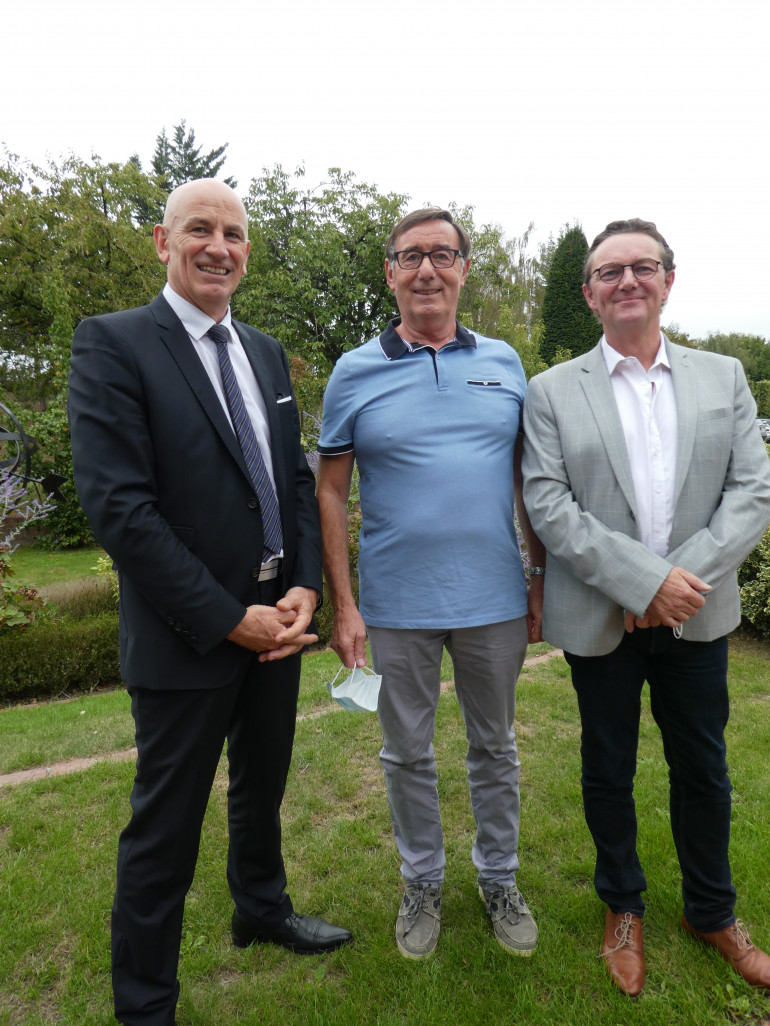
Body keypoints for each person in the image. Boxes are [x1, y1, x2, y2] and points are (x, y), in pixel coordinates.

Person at [68, 178, 352, 1026]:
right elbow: (121, 509)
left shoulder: (264, 352)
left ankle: (260, 910)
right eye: (200, 229)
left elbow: (296, 484)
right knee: (165, 831)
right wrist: (229, 617)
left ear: (247, 251)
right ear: (163, 241)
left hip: (280, 627)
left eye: (232, 232)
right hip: (188, 636)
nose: (217, 246)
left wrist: (303, 585)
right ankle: (146, 1002)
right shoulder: (113, 344)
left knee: (261, 790)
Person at [522, 218, 770, 997]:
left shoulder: (724, 376)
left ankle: (712, 911)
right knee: (608, 767)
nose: (627, 280)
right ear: (590, 293)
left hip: (695, 615)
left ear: (668, 280)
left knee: (704, 767)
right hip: (602, 620)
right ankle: (621, 906)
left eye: (643, 267)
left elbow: (751, 490)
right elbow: (548, 503)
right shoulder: (552, 390)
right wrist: (638, 585)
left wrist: (671, 587)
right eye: (609, 271)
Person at [316, 208, 545, 961]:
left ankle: (500, 879)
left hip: (494, 601)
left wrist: (537, 577)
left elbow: (527, 479)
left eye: (442, 255)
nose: (426, 270)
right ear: (389, 271)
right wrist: (345, 606)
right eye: (410, 256)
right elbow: (330, 492)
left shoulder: (508, 363)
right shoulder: (355, 371)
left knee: (496, 748)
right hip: (396, 606)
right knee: (405, 753)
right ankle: (422, 883)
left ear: (463, 268)